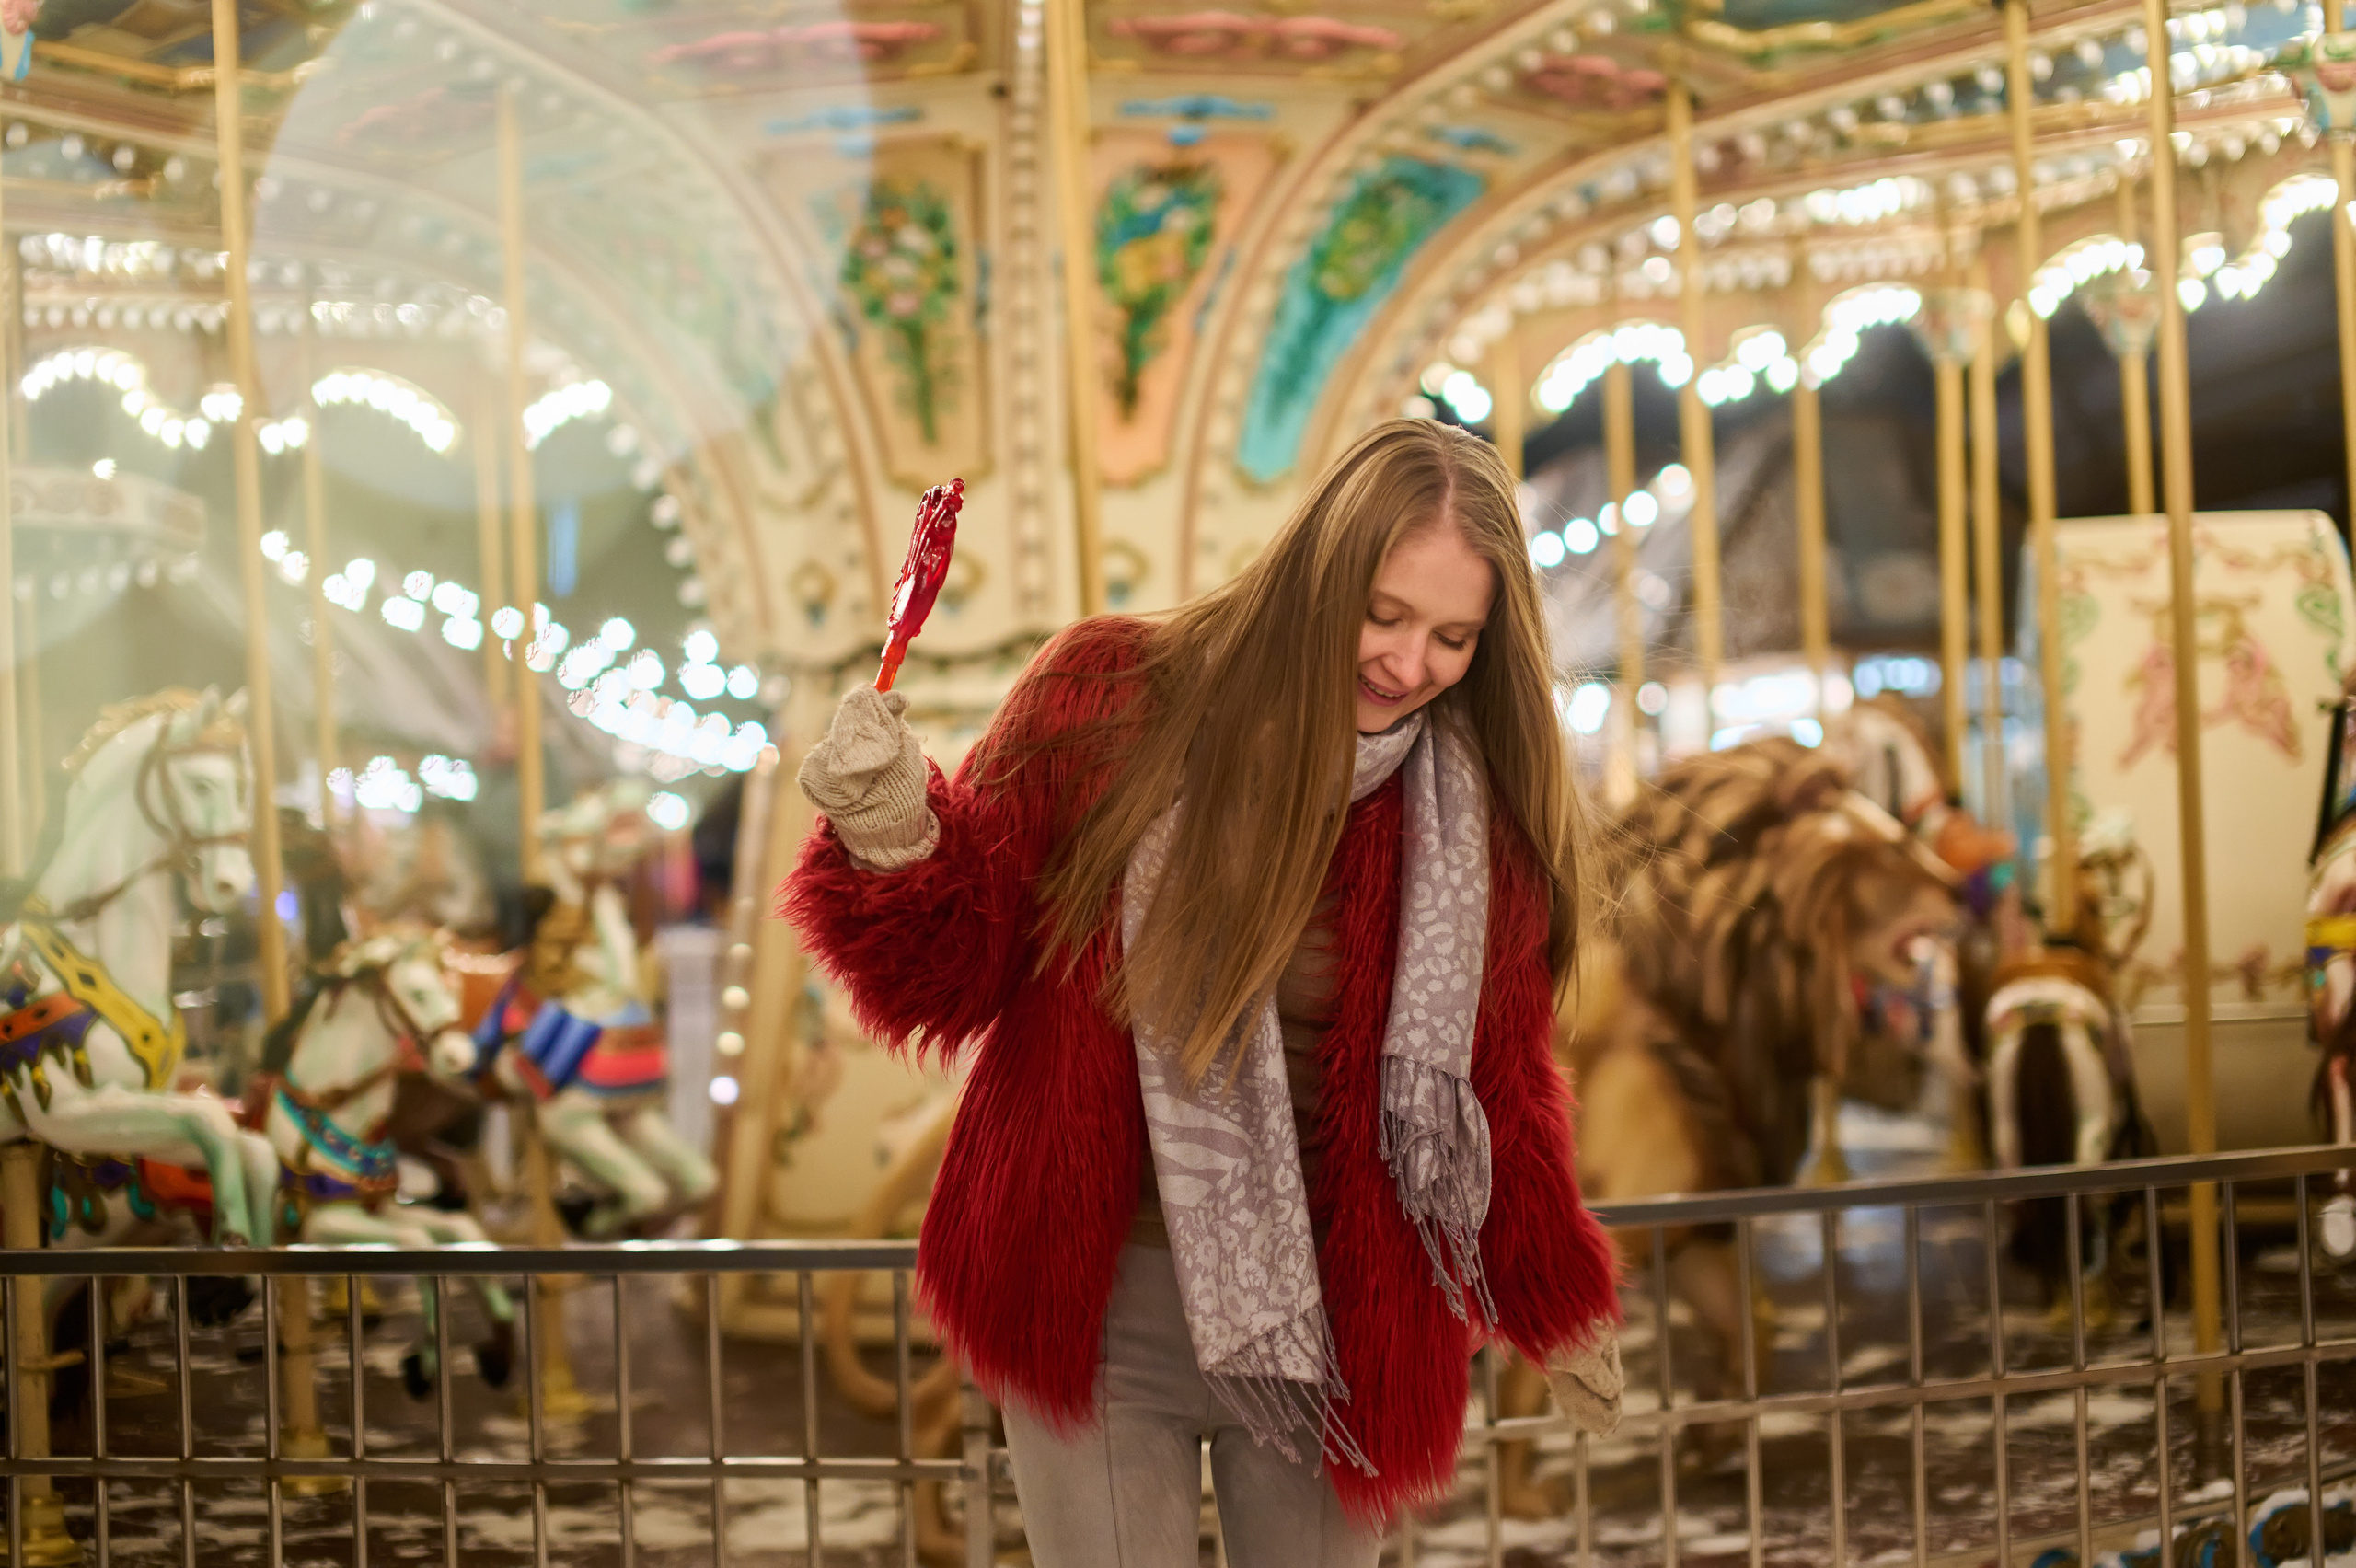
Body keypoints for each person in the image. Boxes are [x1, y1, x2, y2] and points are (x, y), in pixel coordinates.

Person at [784, 420, 1623, 1567]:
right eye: (1382, 614)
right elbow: (958, 971)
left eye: (1452, 637)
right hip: (1096, 1309)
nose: (1407, 664)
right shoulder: (1105, 695)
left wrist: (1552, 1291)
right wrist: (895, 838)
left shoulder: (1469, 814)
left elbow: (1496, 1088)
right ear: (1315, 570)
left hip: (1337, 1332)